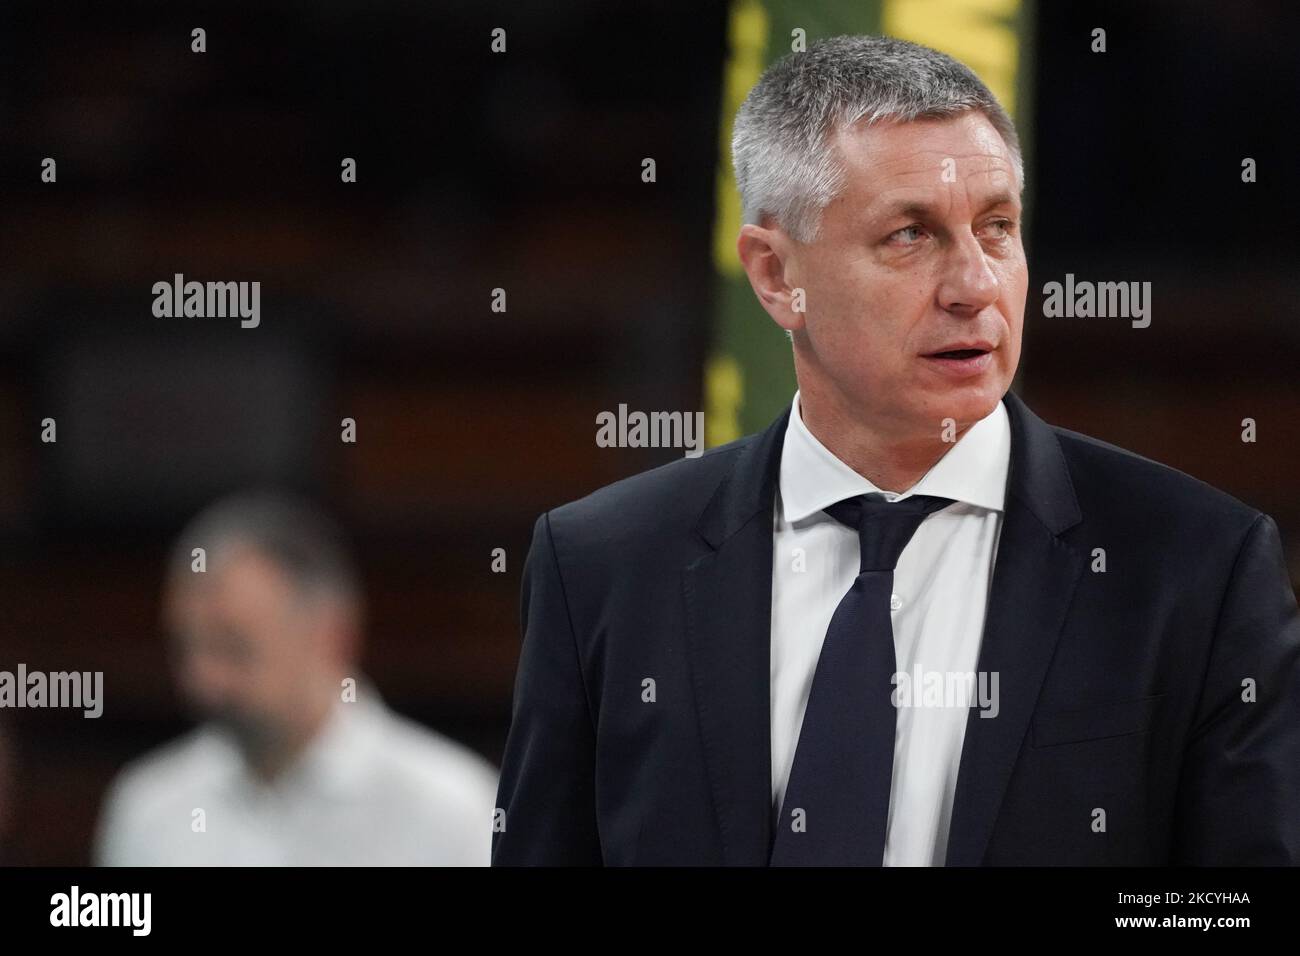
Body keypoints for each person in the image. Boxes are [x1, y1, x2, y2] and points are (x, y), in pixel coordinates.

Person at [492, 35, 1300, 866]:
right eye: (911, 235)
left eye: (998, 228)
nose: (976, 286)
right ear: (775, 276)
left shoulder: (1193, 564)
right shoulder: (601, 563)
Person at [95, 491, 498, 866]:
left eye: (235, 648)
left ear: (330, 635)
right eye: (187, 647)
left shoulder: (455, 810)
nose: (203, 679)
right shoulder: (147, 808)